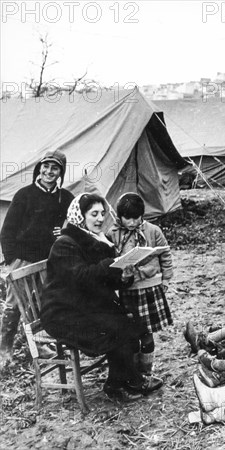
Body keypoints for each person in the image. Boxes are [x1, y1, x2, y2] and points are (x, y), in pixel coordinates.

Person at [40, 193, 162, 401]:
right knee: (116, 327)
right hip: (61, 313)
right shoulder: (65, 243)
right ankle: (121, 384)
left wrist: (124, 276)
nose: (99, 219)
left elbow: (105, 281)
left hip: (84, 306)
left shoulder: (96, 240)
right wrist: (109, 264)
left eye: (102, 214)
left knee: (128, 321)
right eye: (93, 214)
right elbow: (81, 278)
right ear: (80, 216)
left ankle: (125, 380)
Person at [0, 150, 74, 366]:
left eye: (55, 168)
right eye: (46, 167)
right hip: (22, 259)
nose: (49, 172)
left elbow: (77, 221)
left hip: (48, 261)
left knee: (44, 303)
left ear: (61, 172)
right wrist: (12, 260)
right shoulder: (24, 195)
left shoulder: (64, 197)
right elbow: (7, 231)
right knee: (15, 305)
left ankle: (42, 345)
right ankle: (4, 349)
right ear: (39, 168)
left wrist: (66, 233)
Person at [108, 193, 174, 377]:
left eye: (136, 218)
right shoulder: (113, 234)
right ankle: (133, 370)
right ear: (119, 216)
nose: (132, 222)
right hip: (128, 290)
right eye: (127, 218)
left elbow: (165, 255)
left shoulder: (153, 231)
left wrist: (166, 279)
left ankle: (146, 370)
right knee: (131, 332)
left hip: (150, 288)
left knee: (147, 332)